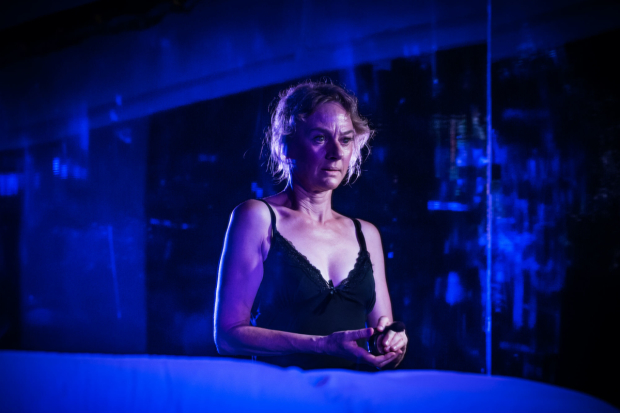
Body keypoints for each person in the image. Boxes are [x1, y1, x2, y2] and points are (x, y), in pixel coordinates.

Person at [214, 81, 408, 370]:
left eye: (345, 140)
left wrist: (392, 343)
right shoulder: (258, 218)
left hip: (350, 393)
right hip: (283, 393)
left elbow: (382, 335)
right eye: (319, 138)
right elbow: (228, 336)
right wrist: (321, 344)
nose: (336, 152)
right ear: (286, 146)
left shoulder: (366, 234)